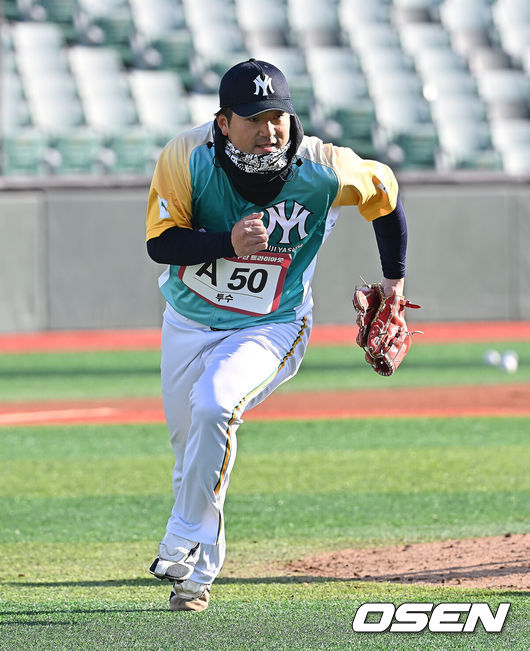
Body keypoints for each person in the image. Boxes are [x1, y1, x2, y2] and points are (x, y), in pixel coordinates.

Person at [145, 58, 408, 612]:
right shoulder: (186, 156)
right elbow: (161, 244)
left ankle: (183, 536)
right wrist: (226, 242)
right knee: (192, 449)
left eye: (277, 116)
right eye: (253, 118)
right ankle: (194, 577)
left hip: (273, 322)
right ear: (223, 122)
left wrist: (395, 285)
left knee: (216, 404)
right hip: (189, 321)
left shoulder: (325, 167)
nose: (269, 129)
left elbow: (385, 196)